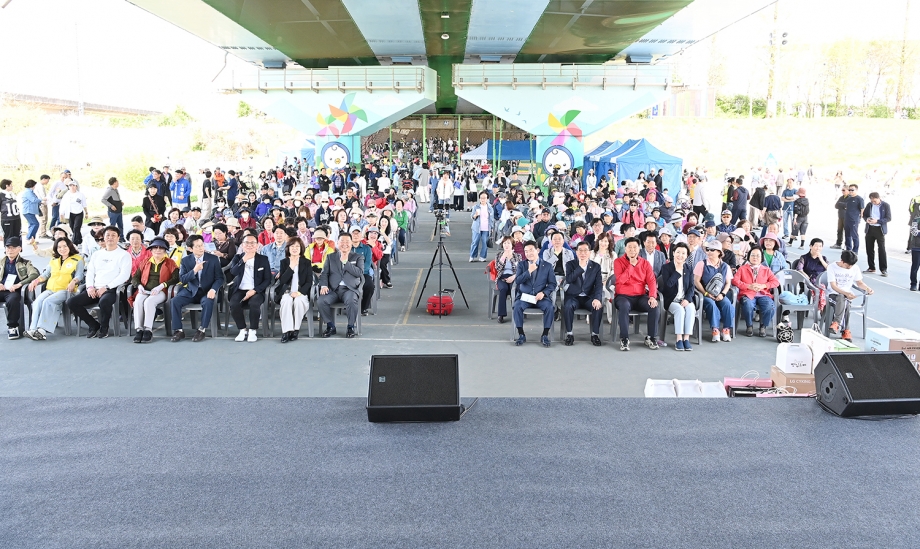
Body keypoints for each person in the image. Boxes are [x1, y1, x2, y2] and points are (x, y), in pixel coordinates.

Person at [66, 226, 132, 338]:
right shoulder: (97, 254)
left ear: (118, 238)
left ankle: (104, 327)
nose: (110, 237)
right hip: (95, 289)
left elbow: (124, 275)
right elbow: (90, 272)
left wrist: (107, 287)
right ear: (104, 237)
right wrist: (90, 287)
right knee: (72, 302)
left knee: (104, 301)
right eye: (107, 235)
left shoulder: (124, 254)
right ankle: (93, 325)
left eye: (113, 235)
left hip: (112, 289)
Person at [24, 237, 83, 340]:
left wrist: (74, 281)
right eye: (59, 247)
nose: (62, 249)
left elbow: (80, 275)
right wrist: (36, 281)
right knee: (37, 302)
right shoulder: (54, 260)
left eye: (65, 246)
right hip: (51, 289)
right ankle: (33, 329)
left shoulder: (78, 259)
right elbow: (46, 274)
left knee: (48, 301)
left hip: (66, 290)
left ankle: (42, 330)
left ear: (70, 246)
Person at [169, 235, 224, 342]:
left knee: (208, 301)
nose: (201, 248)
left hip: (207, 291)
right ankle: (179, 330)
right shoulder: (185, 260)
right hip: (191, 291)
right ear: (190, 249)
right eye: (197, 246)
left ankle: (201, 330)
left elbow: (220, 278)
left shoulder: (213, 259)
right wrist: (194, 270)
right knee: (175, 301)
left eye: (202, 245)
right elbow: (182, 279)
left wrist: (213, 289)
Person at [613, 237, 660, 351]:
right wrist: (631, 266)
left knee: (654, 306)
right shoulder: (618, 262)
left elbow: (651, 281)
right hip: (623, 296)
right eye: (629, 247)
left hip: (640, 296)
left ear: (639, 249)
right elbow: (620, 280)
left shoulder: (645, 263)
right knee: (624, 306)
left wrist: (652, 297)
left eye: (635, 247)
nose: (632, 250)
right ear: (625, 249)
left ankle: (651, 337)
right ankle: (624, 338)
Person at [130, 238, 179, 343]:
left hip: (161, 291)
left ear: (165, 250)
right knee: (138, 301)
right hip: (144, 290)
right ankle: (139, 329)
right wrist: (139, 286)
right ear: (151, 250)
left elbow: (176, 278)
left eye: (161, 248)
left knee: (149, 302)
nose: (158, 250)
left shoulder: (170, 262)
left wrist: (162, 285)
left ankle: (148, 329)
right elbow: (135, 277)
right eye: (155, 248)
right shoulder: (145, 261)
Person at [318, 233, 364, 338]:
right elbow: (324, 273)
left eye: (347, 241)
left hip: (349, 289)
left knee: (351, 300)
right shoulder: (331, 257)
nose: (344, 244)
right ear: (337, 243)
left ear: (351, 243)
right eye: (342, 241)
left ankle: (350, 327)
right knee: (321, 301)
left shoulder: (358, 257)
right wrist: (324, 285)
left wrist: (346, 262)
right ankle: (330, 326)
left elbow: (359, 273)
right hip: (333, 289)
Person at [512, 240, 557, 348]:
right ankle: (521, 334)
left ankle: (545, 334)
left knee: (549, 307)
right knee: (517, 306)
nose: (529, 253)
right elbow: (517, 281)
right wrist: (528, 272)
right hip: (525, 297)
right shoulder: (522, 265)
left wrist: (544, 293)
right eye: (526, 251)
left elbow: (552, 284)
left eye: (531, 250)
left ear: (537, 250)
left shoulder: (547, 266)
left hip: (540, 297)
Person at [227, 233, 271, 342]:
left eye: (252, 243)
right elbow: (233, 272)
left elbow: (267, 279)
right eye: (247, 242)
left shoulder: (263, 259)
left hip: (257, 290)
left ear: (257, 245)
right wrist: (243, 260)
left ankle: (252, 330)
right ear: (242, 245)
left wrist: (255, 290)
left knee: (254, 303)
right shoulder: (238, 257)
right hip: (240, 289)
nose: (249, 245)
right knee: (234, 304)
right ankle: (242, 329)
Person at [562, 241, 604, 346]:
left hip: (589, 297)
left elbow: (599, 285)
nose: (583, 253)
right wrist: (580, 268)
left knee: (597, 307)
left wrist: (597, 298)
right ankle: (569, 334)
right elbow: (569, 279)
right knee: (568, 306)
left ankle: (595, 334)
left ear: (590, 252)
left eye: (585, 250)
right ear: (576, 252)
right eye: (580, 250)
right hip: (573, 296)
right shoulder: (570, 264)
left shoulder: (596, 266)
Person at [826, 250, 874, 342]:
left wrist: (868, 289)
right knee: (843, 299)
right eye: (848, 265)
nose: (850, 267)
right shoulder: (832, 267)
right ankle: (845, 330)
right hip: (833, 295)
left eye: (852, 265)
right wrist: (846, 293)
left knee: (845, 301)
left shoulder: (855, 268)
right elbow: (833, 286)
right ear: (842, 261)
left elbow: (859, 283)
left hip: (846, 297)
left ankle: (836, 323)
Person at [732, 247, 779, 337]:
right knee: (747, 304)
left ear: (761, 258)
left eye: (758, 256)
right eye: (752, 255)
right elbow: (735, 281)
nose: (755, 257)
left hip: (763, 294)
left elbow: (775, 282)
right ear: (749, 257)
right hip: (747, 294)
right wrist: (748, 286)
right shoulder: (742, 268)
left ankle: (763, 326)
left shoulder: (766, 270)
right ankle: (749, 325)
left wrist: (763, 286)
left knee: (770, 306)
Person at [694, 240, 735, 343]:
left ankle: (726, 329)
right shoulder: (701, 264)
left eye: (712, 250)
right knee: (711, 304)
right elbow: (696, 281)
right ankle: (715, 330)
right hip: (705, 293)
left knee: (727, 305)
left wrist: (722, 294)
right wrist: (706, 293)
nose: (709, 252)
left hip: (720, 293)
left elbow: (728, 283)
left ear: (719, 252)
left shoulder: (725, 266)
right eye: (708, 249)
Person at [274, 237, 313, 343]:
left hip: (301, 292)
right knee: (287, 301)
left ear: (301, 248)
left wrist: (299, 292)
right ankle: (286, 332)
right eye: (292, 246)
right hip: (287, 292)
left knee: (298, 301)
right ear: (288, 248)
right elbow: (282, 281)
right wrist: (291, 267)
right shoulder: (284, 262)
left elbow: (309, 282)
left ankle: (295, 330)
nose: (295, 248)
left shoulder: (306, 262)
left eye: (297, 246)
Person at [658, 242, 695, 351]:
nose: (680, 255)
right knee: (680, 310)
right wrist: (677, 272)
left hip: (684, 299)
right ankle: (679, 339)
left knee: (691, 308)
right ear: (673, 253)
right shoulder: (666, 267)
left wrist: (687, 299)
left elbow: (692, 286)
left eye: (683, 253)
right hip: (671, 300)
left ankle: (686, 339)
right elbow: (668, 285)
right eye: (678, 252)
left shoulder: (688, 268)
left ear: (687, 255)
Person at [1, 236, 40, 339]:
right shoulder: (1, 262)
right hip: (2, 289)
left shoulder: (25, 262)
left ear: (19, 249)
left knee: (13, 299)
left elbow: (34, 274)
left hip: (15, 291)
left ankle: (12, 327)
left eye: (13, 248)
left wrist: (20, 284)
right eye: (8, 247)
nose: (10, 250)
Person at [862, 191, 891, 277]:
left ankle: (883, 269)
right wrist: (867, 219)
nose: (873, 202)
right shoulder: (869, 205)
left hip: (879, 229)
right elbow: (864, 215)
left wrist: (877, 221)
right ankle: (871, 267)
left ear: (879, 198)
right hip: (870, 229)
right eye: (872, 201)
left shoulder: (885, 205)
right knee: (869, 248)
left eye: (875, 201)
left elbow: (888, 218)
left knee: (881, 249)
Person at [494, 236, 522, 324]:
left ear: (512, 245)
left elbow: (520, 269)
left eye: (508, 243)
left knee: (515, 289)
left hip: (514, 277)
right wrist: (503, 257)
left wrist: (513, 277)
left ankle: (517, 313)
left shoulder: (517, 256)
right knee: (503, 289)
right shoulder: (499, 255)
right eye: (504, 243)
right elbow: (498, 268)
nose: (506, 245)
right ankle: (501, 315)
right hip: (502, 277)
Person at [59, 180, 88, 246]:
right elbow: (63, 205)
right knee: (72, 228)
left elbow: (84, 204)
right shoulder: (66, 195)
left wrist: (86, 213)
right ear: (68, 187)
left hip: (79, 213)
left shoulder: (80, 195)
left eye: (73, 185)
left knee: (76, 227)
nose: (72, 187)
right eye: (70, 186)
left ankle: (74, 242)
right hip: (70, 213)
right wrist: (61, 213)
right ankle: (79, 239)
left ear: (76, 186)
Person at [470, 191, 492, 262]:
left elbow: (491, 219)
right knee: (475, 242)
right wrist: (475, 215)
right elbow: (472, 217)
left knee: (485, 243)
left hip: (486, 228)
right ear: (479, 198)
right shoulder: (476, 207)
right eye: (481, 198)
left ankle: (483, 256)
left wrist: (491, 227)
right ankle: (472, 256)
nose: (483, 200)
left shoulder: (490, 207)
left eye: (484, 198)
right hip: (477, 227)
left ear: (487, 199)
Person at [842, 184, 864, 254]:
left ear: (856, 190)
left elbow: (862, 209)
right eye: (849, 190)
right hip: (847, 219)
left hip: (854, 220)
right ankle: (848, 249)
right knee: (847, 235)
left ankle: (855, 250)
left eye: (852, 190)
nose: (850, 191)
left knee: (854, 235)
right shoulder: (848, 198)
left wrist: (859, 219)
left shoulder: (859, 199)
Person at [20, 180, 42, 247]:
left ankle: (32, 239)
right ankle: (28, 238)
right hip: (28, 211)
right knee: (35, 224)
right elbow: (33, 200)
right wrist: (42, 200)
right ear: (32, 185)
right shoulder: (28, 192)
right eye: (34, 185)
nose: (35, 186)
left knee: (31, 224)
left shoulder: (29, 192)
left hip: (30, 211)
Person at [0, 179, 22, 244]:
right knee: (8, 236)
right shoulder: (1, 195)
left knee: (17, 235)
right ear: (7, 186)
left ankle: (18, 248)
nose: (12, 186)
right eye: (11, 185)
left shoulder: (12, 194)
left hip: (16, 218)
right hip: (7, 219)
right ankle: (8, 249)